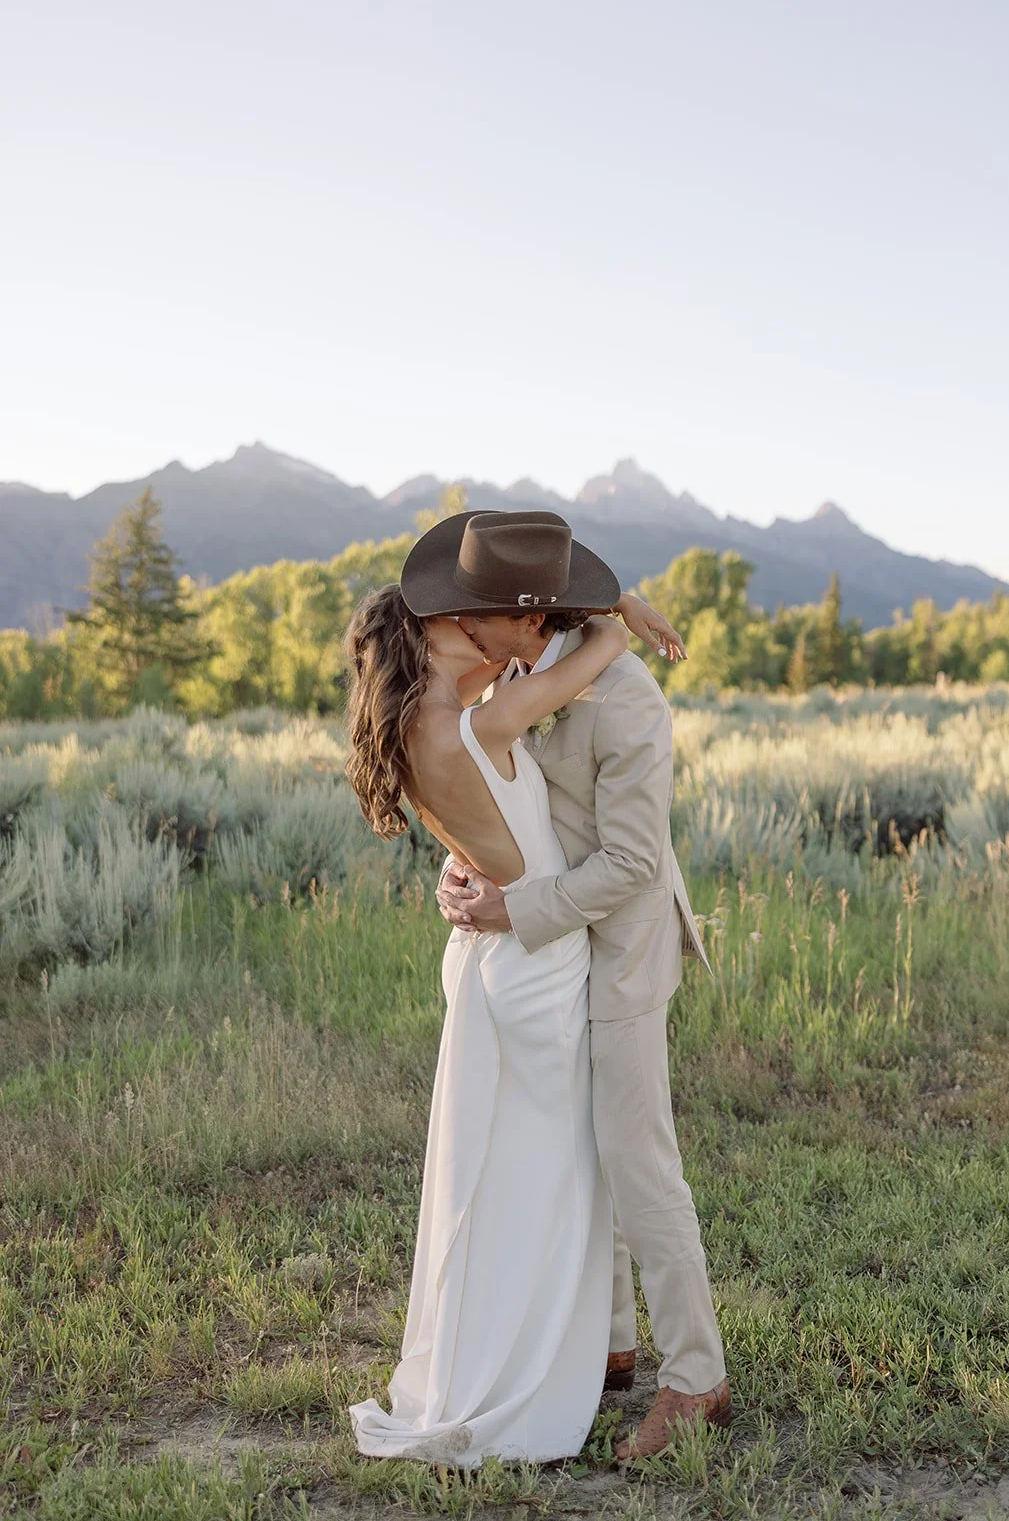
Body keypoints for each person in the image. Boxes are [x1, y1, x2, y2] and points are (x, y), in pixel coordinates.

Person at [343, 510, 681, 1466]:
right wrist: (621, 606)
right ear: (449, 638)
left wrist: (463, 869)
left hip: (490, 960)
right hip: (536, 964)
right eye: (478, 630)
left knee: (492, 1177)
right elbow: (599, 645)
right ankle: (533, 1371)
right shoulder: (483, 718)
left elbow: (486, 831)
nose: (499, 643)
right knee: (548, 1179)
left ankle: (522, 1351)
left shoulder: (424, 719)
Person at [432, 512, 731, 1462]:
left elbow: (635, 866)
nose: (466, 631)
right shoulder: (517, 669)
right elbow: (506, 808)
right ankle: (607, 1346)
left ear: (529, 621)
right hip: (551, 941)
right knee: (576, 1143)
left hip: (622, 946)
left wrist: (514, 915)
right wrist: (463, 875)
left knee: (635, 1158)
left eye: (480, 617)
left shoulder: (629, 700)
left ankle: (696, 1379)